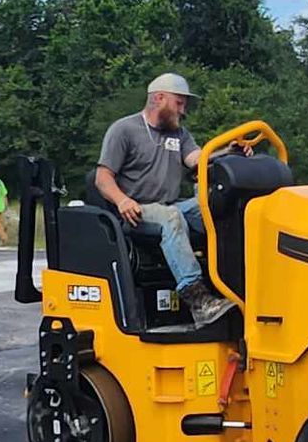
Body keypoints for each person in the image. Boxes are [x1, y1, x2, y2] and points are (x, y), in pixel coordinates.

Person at [95, 73, 235, 325]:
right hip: (136, 210)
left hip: (172, 204)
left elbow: (197, 159)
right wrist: (122, 201)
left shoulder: (180, 135)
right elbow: (102, 177)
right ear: (159, 98)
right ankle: (198, 300)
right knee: (171, 216)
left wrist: (228, 152)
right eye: (179, 103)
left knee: (215, 206)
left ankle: (232, 283)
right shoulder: (124, 130)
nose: (184, 111)